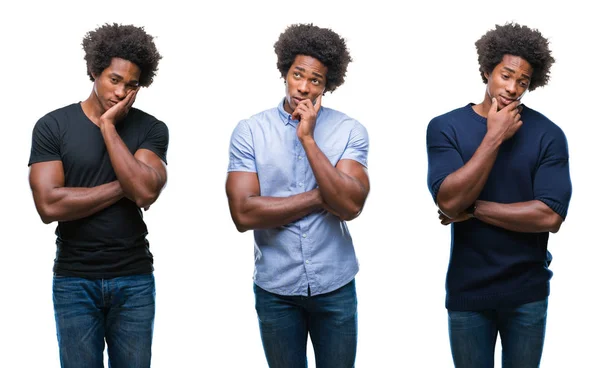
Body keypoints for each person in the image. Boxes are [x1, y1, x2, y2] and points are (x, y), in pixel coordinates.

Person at [426, 23, 572, 367]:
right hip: (468, 291)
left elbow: (549, 216)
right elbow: (447, 201)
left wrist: (473, 208)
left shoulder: (548, 135)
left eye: (523, 81)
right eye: (506, 75)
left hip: (527, 293)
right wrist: (493, 137)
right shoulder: (445, 127)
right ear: (486, 71)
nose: (513, 87)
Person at [226, 23, 369, 368]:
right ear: (285, 72)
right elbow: (244, 215)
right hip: (276, 288)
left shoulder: (349, 130)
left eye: (315, 80)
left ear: (328, 85)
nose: (303, 87)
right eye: (297, 75)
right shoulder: (250, 131)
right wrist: (322, 197)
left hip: (335, 286)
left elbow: (350, 206)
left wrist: (308, 138)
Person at [28, 23, 168, 368]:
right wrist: (126, 186)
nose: (121, 92)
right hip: (74, 279)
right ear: (94, 71)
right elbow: (49, 205)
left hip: (133, 278)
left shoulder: (151, 128)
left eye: (131, 85)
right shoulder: (53, 126)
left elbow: (146, 192)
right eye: (113, 80)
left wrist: (107, 126)